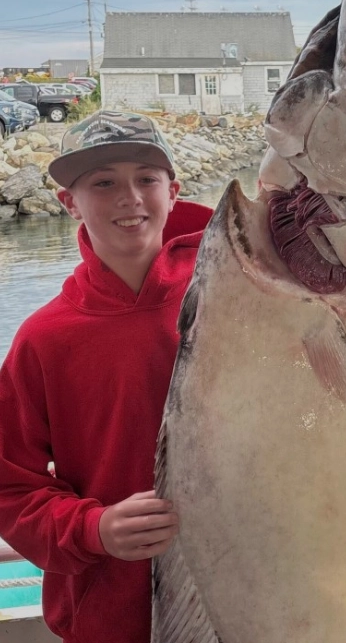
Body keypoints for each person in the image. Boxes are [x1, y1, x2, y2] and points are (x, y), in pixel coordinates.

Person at [0, 110, 214, 643]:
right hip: (113, 616)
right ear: (67, 202)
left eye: (146, 178)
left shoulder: (236, 299)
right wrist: (93, 529)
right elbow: (9, 486)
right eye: (103, 182)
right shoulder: (44, 338)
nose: (130, 197)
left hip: (249, 594)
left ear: (173, 189)